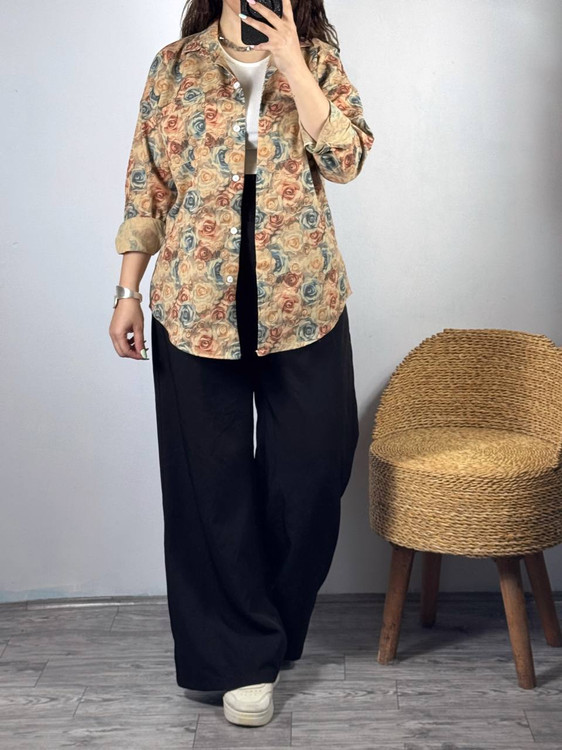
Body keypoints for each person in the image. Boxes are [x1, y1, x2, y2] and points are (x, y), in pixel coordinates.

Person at [109, 0, 374, 728]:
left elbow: (348, 160)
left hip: (303, 298)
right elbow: (147, 185)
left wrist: (293, 63)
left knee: (314, 469)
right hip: (195, 300)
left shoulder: (315, 58)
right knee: (209, 486)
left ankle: (264, 629)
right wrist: (126, 291)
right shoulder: (173, 65)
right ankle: (240, 658)